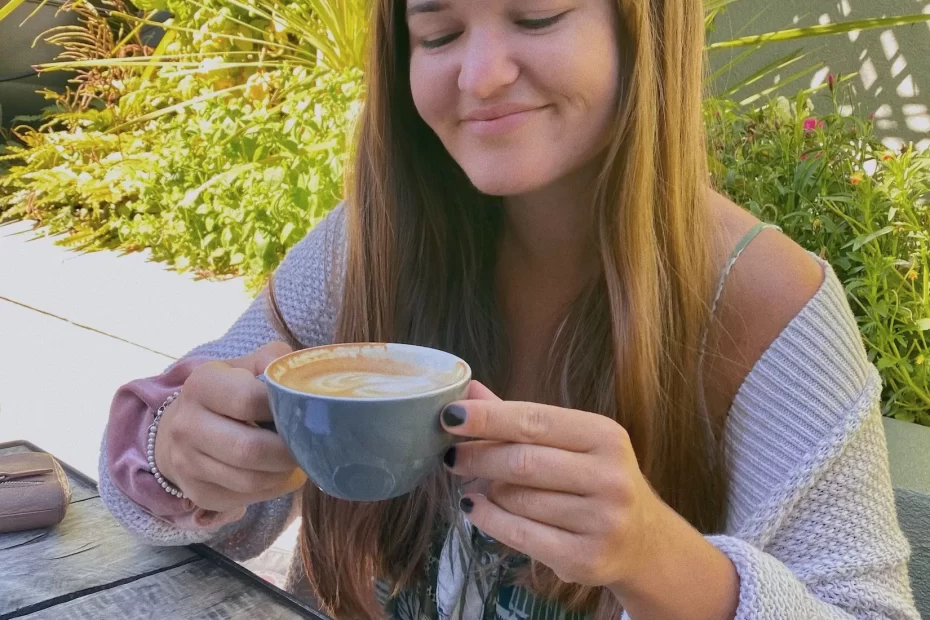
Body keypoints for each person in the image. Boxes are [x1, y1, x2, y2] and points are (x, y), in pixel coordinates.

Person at [99, 0, 919, 618]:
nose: (480, 75)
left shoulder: (772, 310)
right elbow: (164, 487)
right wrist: (182, 449)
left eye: (536, 14)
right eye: (439, 33)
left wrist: (654, 555)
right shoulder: (367, 245)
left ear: (644, 28)